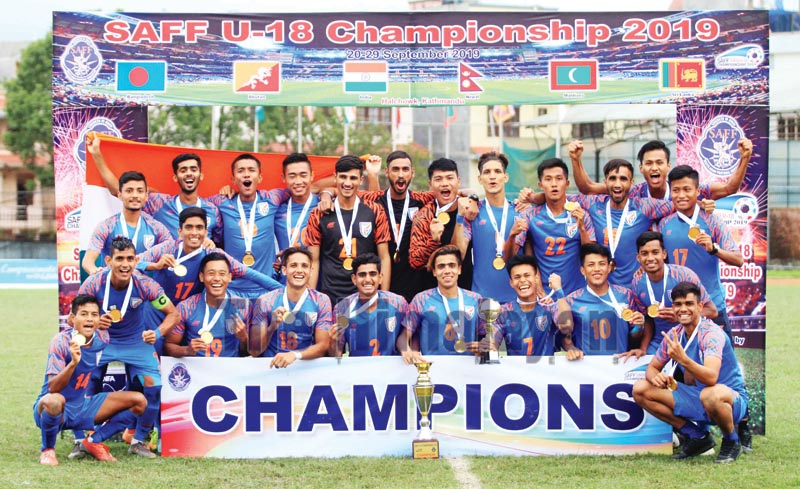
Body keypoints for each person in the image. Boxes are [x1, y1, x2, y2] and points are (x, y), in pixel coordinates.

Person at [78, 236, 179, 458]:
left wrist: (158, 332)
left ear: (136, 261)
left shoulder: (145, 284)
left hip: (136, 343)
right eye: (120, 259)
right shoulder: (94, 283)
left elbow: (173, 313)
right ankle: (83, 438)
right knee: (86, 382)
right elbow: (72, 318)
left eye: (130, 259)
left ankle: (138, 441)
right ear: (108, 261)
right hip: (102, 341)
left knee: (153, 387)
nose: (125, 264)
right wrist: (94, 323)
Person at [632, 282, 748, 463]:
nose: (683, 309)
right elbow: (652, 368)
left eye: (689, 304)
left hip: (728, 399)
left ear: (700, 306)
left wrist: (683, 359)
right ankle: (697, 437)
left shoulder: (711, 334)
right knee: (640, 389)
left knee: (712, 393)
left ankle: (731, 441)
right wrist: (657, 377)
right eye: (678, 304)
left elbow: (711, 378)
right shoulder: (674, 334)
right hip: (697, 396)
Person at [34, 295, 147, 465]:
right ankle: (48, 450)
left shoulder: (102, 339)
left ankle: (92, 442)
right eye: (84, 314)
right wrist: (73, 364)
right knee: (55, 401)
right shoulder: (61, 342)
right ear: (72, 319)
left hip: (83, 406)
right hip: (53, 408)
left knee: (139, 401)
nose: (89, 319)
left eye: (94, 315)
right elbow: (53, 387)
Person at [207, 153, 322, 299]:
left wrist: (326, 192)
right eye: (241, 171)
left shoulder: (272, 199)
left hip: (267, 289)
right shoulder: (221, 201)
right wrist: (206, 236)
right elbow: (197, 205)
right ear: (233, 179)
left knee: (265, 322)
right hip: (233, 290)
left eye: (251, 170)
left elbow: (310, 187)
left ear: (260, 178)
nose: (246, 175)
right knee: (234, 323)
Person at [657, 165, 744, 339]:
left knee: (721, 365)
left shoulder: (712, 220)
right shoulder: (663, 224)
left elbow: (738, 260)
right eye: (676, 190)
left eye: (687, 189)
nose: (681, 195)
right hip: (679, 309)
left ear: (698, 191)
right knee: (682, 365)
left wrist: (714, 249)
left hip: (712, 307)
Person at [86, 132, 223, 242]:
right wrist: (97, 154)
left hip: (201, 275)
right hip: (166, 273)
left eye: (193, 169)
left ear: (201, 175)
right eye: (183, 170)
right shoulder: (159, 203)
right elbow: (119, 190)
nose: (188, 173)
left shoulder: (213, 210)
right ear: (175, 177)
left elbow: (221, 243)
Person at [564, 158, 674, 287]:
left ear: (631, 183)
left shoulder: (644, 206)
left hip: (634, 290)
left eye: (623, 179)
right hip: (602, 289)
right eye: (612, 179)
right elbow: (559, 197)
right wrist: (535, 197)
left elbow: (681, 204)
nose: (617, 184)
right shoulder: (593, 203)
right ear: (605, 182)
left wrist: (703, 204)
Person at [303, 155, 392, 304]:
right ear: (335, 178)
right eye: (343, 177)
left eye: (353, 178)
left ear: (360, 180)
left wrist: (385, 296)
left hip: (366, 294)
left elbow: (384, 257)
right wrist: (310, 299)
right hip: (331, 294)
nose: (347, 183)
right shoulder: (319, 214)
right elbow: (314, 261)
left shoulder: (375, 211)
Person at [504, 158, 595, 295]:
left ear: (567, 183)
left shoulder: (581, 214)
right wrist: (512, 235)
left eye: (559, 179)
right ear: (540, 185)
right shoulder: (529, 216)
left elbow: (592, 257)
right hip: (544, 295)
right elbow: (509, 259)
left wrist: (581, 228)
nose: (554, 184)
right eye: (548, 179)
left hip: (578, 294)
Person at [568, 138, 753, 200]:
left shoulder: (682, 193)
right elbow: (588, 188)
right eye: (649, 163)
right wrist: (575, 159)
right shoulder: (633, 192)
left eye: (659, 162)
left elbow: (729, 188)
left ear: (668, 166)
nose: (654, 167)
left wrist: (744, 158)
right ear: (641, 168)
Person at [360, 151, 435, 302]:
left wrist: (471, 195)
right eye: (395, 169)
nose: (401, 174)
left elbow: (451, 195)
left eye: (405, 169)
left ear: (412, 173)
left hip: (416, 289)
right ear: (387, 172)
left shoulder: (423, 200)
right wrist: (373, 175)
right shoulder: (375, 200)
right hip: (382, 288)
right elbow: (340, 192)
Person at [630, 231, 717, 354]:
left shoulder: (684, 275)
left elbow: (712, 311)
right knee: (647, 371)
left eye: (655, 252)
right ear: (638, 257)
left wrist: (681, 316)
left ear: (664, 254)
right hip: (660, 342)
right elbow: (648, 319)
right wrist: (643, 349)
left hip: (690, 339)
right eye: (644, 254)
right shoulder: (637, 283)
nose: (650, 258)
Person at [250, 247, 333, 366]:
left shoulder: (321, 301)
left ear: (311, 271)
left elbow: (323, 346)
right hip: (272, 369)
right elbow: (254, 351)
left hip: (306, 369)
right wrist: (271, 327)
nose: (299, 270)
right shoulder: (265, 301)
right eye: (294, 265)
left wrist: (295, 355)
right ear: (284, 270)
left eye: (304, 266)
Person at [454, 152, 520, 303]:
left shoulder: (520, 211)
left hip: (517, 299)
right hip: (482, 300)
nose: (492, 176)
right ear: (480, 179)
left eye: (497, 172)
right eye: (487, 172)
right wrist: (459, 217)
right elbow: (459, 254)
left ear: (506, 177)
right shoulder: (472, 213)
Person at [82, 171, 172, 275]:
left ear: (146, 196)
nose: (135, 195)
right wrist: (95, 271)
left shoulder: (156, 227)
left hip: (142, 289)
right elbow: (87, 261)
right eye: (129, 191)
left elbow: (170, 244)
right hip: (113, 289)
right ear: (120, 195)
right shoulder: (106, 226)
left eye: (140, 191)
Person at [564, 243, 645, 357]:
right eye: (591, 265)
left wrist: (639, 327)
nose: (597, 269)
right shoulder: (571, 300)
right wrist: (571, 348)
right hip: (587, 368)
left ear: (609, 267)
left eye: (602, 264)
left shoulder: (626, 295)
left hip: (620, 365)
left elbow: (634, 336)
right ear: (583, 270)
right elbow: (564, 337)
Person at [402, 245, 486, 356]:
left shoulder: (476, 299)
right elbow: (403, 337)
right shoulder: (421, 300)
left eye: (452, 265)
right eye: (441, 266)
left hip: (467, 369)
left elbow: (485, 336)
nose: (447, 271)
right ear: (434, 271)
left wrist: (483, 347)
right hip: (433, 369)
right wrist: (406, 351)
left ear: (459, 269)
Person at [165, 253, 252, 358]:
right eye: (211, 273)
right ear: (202, 277)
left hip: (231, 371)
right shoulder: (186, 307)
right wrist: (187, 350)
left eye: (222, 273)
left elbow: (252, 353)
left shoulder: (244, 306)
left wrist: (244, 339)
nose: (216, 278)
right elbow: (169, 346)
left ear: (229, 277)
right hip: (197, 371)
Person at [495, 254, 580, 359]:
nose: (522, 280)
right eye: (517, 277)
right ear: (511, 283)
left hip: (545, 373)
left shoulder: (549, 307)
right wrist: (487, 347)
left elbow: (567, 328)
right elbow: (493, 343)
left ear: (536, 278)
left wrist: (559, 291)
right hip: (515, 373)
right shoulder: (503, 311)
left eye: (527, 275)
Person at [409, 158, 475, 290]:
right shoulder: (424, 216)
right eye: (438, 179)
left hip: (466, 290)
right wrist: (433, 241)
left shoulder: (471, 209)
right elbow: (415, 261)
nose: (444, 184)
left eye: (449, 178)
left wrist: (473, 198)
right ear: (430, 184)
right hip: (432, 292)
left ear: (458, 181)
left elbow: (459, 255)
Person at [330, 253, 409, 357]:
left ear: (380, 278)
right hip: (358, 370)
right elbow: (336, 355)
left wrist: (406, 350)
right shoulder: (342, 309)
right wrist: (332, 342)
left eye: (372, 274)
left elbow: (408, 338)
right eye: (362, 275)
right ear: (354, 279)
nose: (367, 279)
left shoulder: (398, 303)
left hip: (392, 369)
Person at [273, 153, 321, 281]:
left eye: (303, 175)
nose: (298, 181)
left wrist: (328, 192)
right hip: (283, 283)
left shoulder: (325, 205)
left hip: (316, 284)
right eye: (292, 176)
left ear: (312, 176)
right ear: (284, 178)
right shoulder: (276, 209)